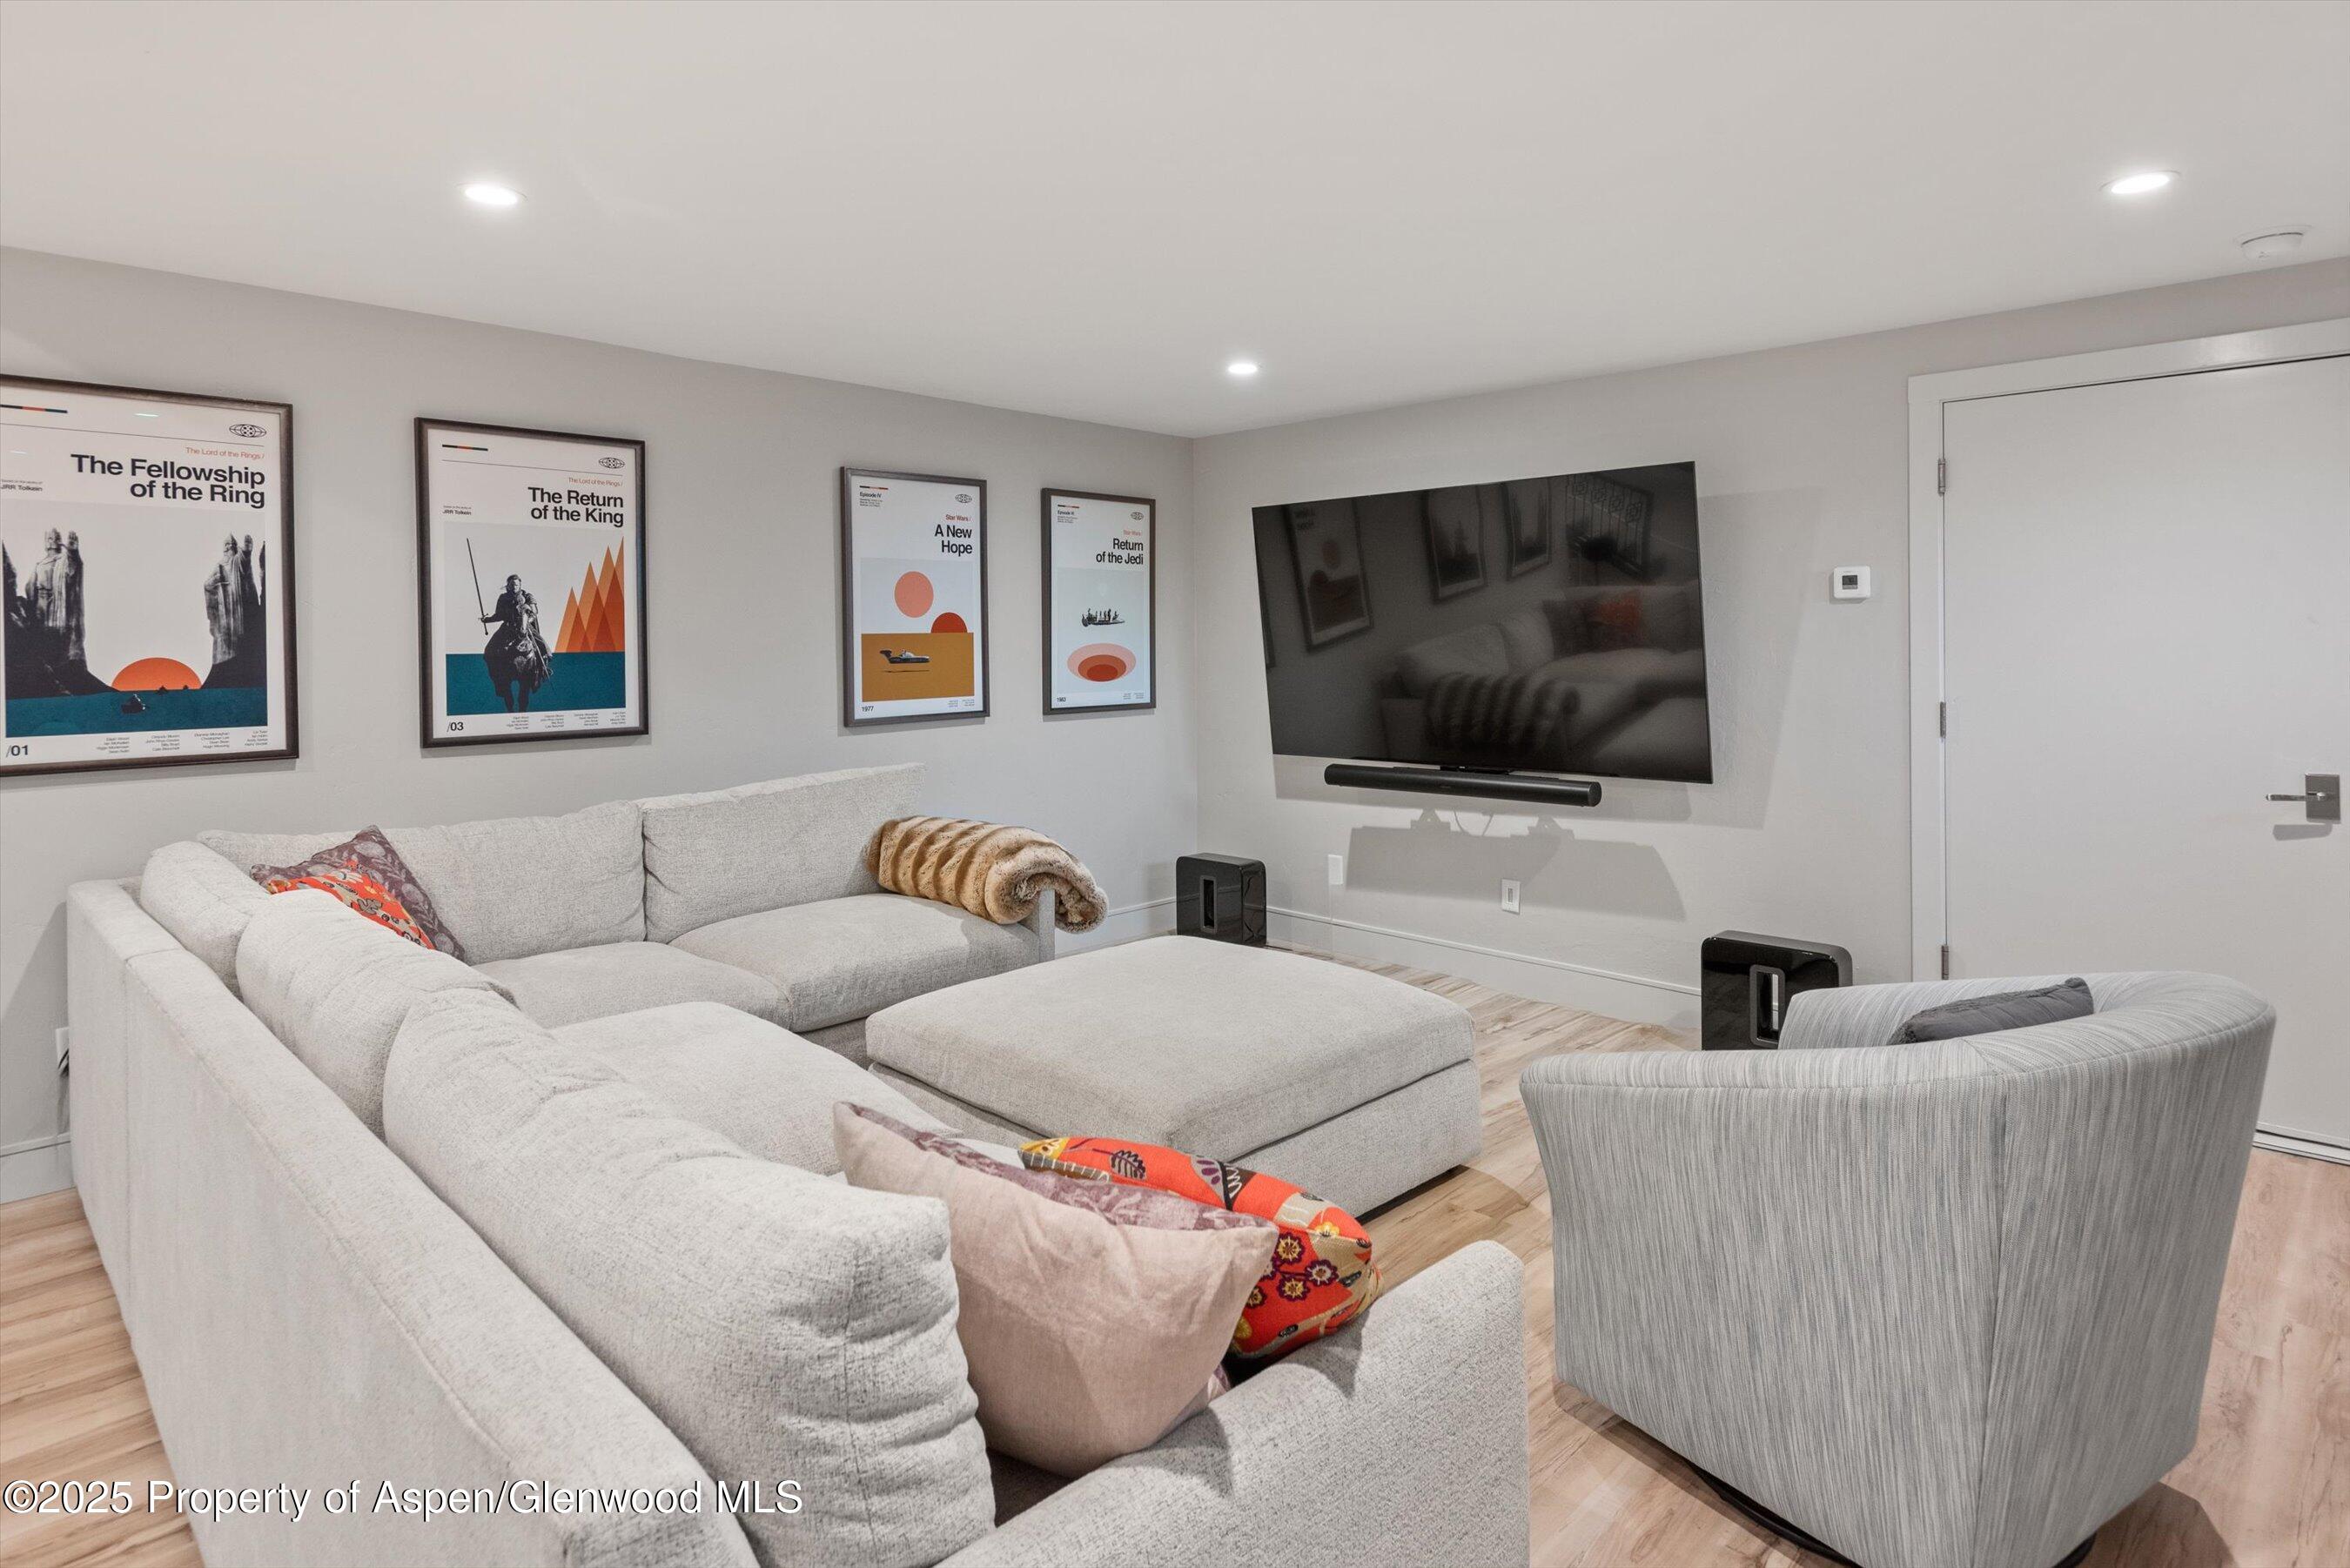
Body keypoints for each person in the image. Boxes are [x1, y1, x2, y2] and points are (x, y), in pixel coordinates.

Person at [480, 573, 550, 713]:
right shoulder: (503, 598)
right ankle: (496, 673)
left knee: (544, 647)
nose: (514, 587)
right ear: (507, 586)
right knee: (489, 650)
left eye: (516, 585)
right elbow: (499, 615)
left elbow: (535, 611)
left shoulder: (528, 596)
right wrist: (487, 620)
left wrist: (528, 611)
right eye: (512, 585)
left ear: (520, 585)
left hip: (525, 626)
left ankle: (542, 668)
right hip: (507, 627)